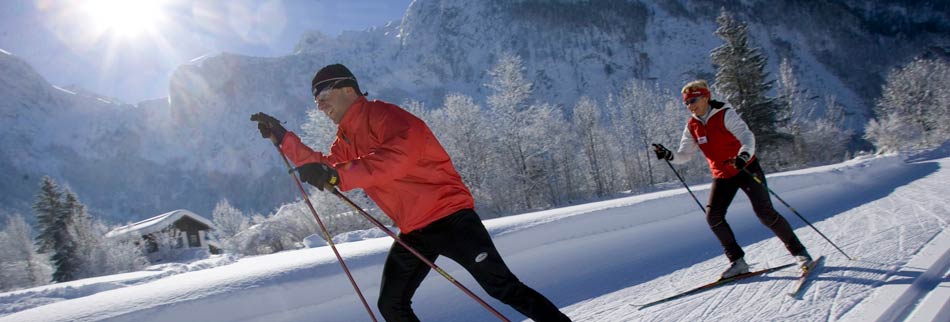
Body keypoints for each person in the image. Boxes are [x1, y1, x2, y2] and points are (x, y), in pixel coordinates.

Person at [251, 64, 571, 322]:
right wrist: (283, 138)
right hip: (414, 230)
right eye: (314, 100)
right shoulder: (345, 141)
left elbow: (398, 158)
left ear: (348, 89)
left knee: (503, 288)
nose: (319, 105)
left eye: (322, 95)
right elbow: (323, 166)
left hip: (450, 218)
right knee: (392, 305)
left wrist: (338, 175)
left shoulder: (385, 115)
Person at [652, 80, 811, 279]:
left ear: (705, 97)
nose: (690, 106)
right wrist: (669, 155)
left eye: (694, 100)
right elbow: (685, 155)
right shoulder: (692, 126)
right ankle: (738, 262)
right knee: (713, 217)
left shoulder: (725, 114)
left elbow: (747, 137)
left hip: (744, 168)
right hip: (722, 174)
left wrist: (743, 156)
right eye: (687, 103)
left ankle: (801, 254)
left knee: (765, 213)